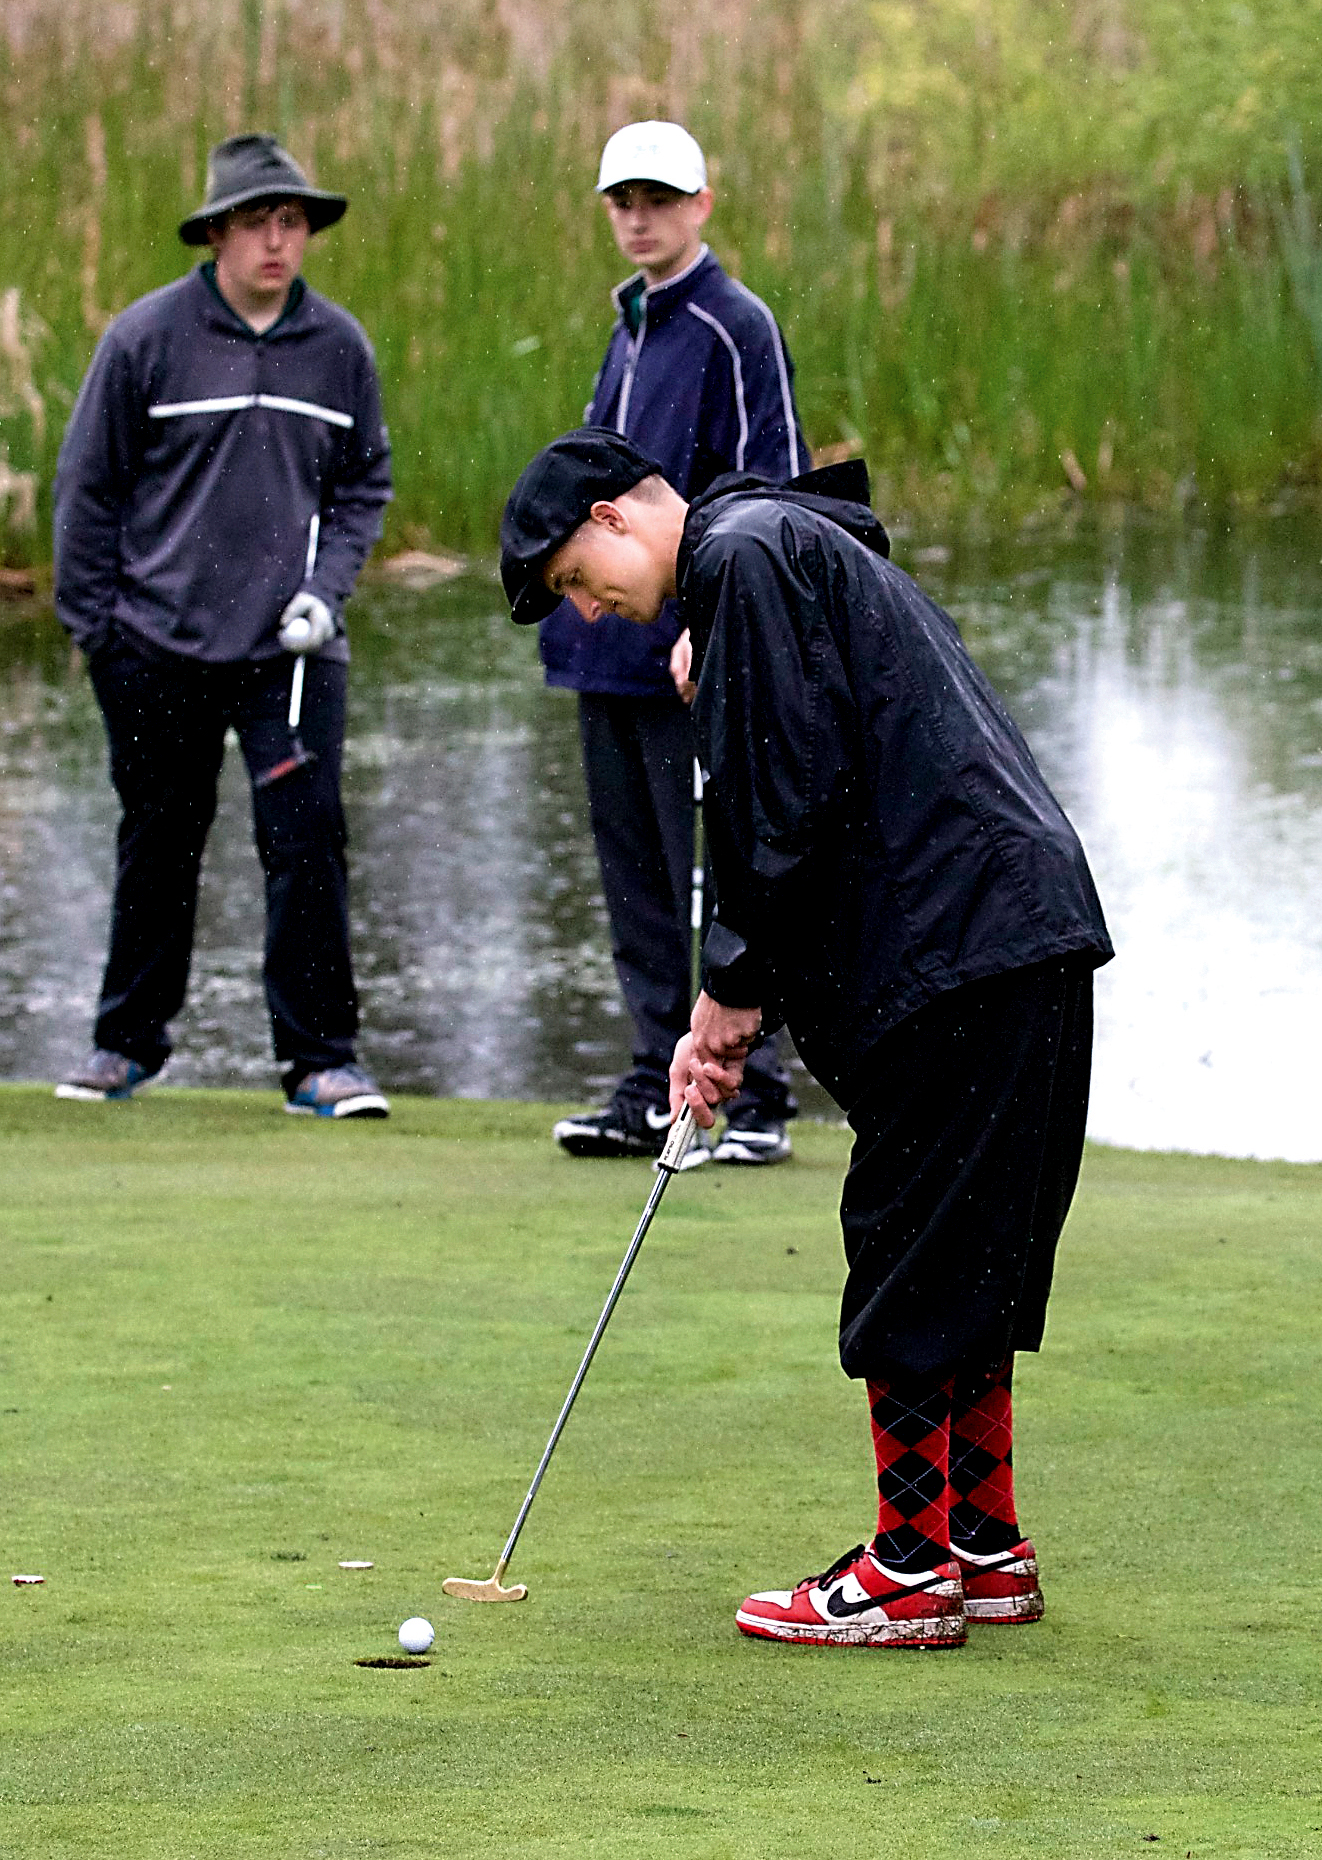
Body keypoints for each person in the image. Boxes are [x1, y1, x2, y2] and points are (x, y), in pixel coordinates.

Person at [500, 428, 1113, 1650]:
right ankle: (979, 1545)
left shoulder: (742, 559)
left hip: (960, 944)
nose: (594, 610)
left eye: (576, 578)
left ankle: (904, 1568)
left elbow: (783, 793)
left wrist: (728, 990)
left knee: (909, 1244)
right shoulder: (773, 547)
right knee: (969, 1244)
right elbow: (814, 738)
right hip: (1019, 931)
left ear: (619, 518)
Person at [52, 133, 393, 1117]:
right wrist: (97, 635)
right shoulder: (146, 338)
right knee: (158, 843)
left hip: (291, 651)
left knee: (307, 843)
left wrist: (327, 590)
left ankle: (322, 1062)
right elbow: (88, 493)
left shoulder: (339, 349)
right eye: (257, 222)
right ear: (216, 234)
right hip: (152, 645)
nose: (278, 241)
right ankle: (125, 1046)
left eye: (292, 222)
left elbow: (365, 483)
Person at [540, 122, 810, 1167]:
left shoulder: (735, 325)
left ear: (702, 203)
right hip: (606, 648)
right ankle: (656, 1074)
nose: (639, 217)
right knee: (635, 874)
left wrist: (713, 623)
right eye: (623, 201)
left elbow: (771, 492)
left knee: (720, 866)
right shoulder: (629, 325)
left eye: (659, 198)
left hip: (693, 648)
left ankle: (757, 1092)